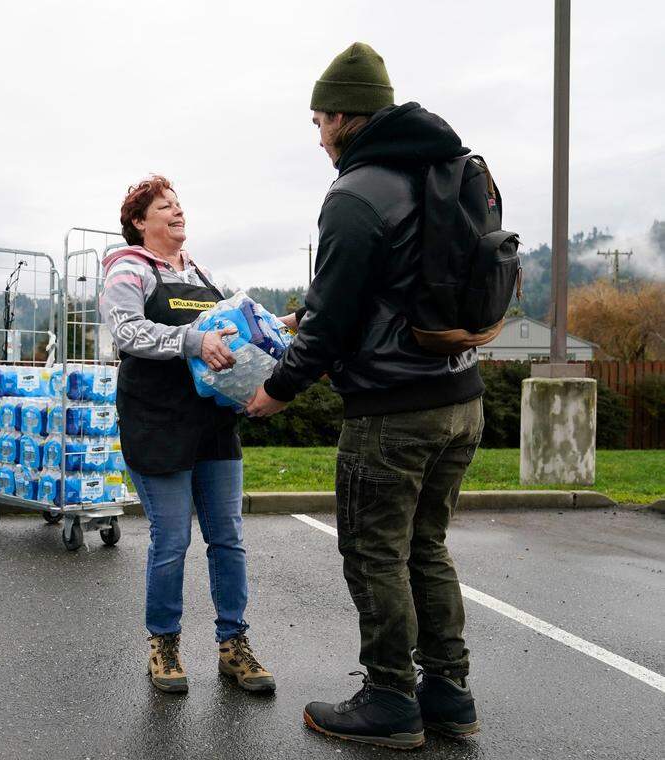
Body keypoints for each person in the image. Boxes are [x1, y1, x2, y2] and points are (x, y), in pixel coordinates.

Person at [246, 43, 484, 748]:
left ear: (346, 117)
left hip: (392, 410)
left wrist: (277, 390)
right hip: (459, 397)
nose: (317, 134)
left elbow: (337, 323)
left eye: (319, 120)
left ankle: (389, 700)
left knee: (376, 554)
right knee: (427, 547)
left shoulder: (354, 192)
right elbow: (392, 280)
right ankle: (448, 692)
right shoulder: (442, 167)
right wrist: (308, 311)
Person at [100, 175, 275, 696]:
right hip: (156, 423)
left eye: (179, 204)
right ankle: (164, 645)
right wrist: (194, 340)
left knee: (228, 538)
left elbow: (229, 331)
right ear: (139, 221)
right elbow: (127, 331)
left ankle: (233, 645)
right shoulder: (128, 268)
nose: (178, 212)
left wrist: (276, 331)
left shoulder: (199, 271)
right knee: (172, 540)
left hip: (214, 424)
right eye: (164, 206)